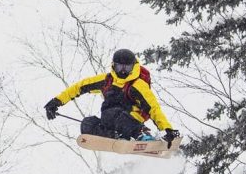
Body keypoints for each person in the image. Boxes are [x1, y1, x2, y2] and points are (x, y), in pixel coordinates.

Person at [44, 48, 179, 144]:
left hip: (131, 119)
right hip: (111, 121)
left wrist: (166, 129)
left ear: (134, 67)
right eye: (120, 67)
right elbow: (79, 87)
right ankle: (113, 136)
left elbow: (153, 108)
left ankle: (142, 134)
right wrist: (56, 102)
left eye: (127, 68)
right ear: (114, 65)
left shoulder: (137, 84)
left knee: (112, 114)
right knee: (87, 124)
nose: (123, 71)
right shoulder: (107, 80)